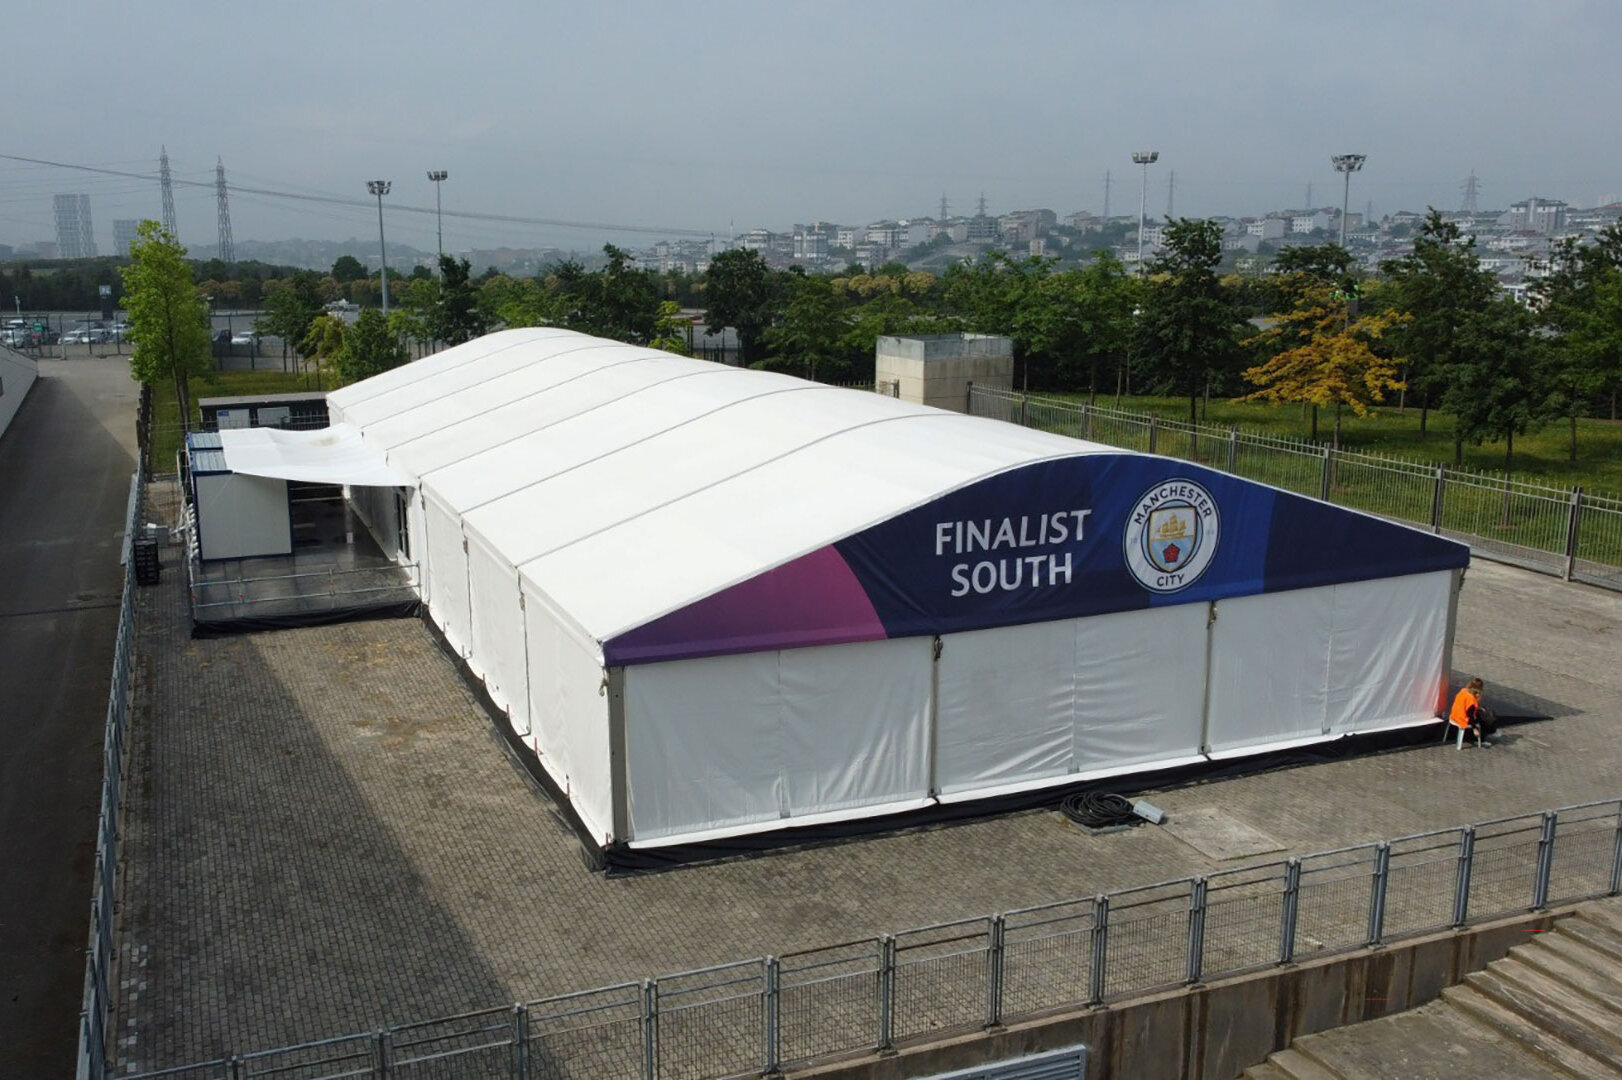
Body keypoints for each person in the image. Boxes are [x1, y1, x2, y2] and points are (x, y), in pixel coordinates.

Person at [1449, 677, 1498, 746]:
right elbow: (1470, 716)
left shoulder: (1463, 691)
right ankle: (1484, 737)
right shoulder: (1472, 700)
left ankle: (1491, 731)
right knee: (1484, 719)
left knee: (1480, 713)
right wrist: (1474, 729)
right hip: (1463, 719)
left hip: (1454, 715)